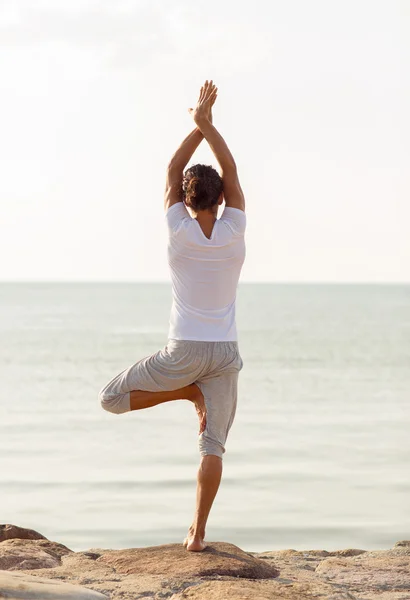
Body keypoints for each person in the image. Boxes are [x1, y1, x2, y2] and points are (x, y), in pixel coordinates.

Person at [98, 80, 246, 552]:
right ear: (221, 201)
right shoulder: (235, 229)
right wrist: (209, 126)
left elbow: (172, 169)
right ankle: (198, 534)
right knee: (213, 446)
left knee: (110, 399)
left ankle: (186, 392)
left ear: (185, 200)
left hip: (183, 351)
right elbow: (232, 169)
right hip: (224, 354)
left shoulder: (177, 229)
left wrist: (195, 127)